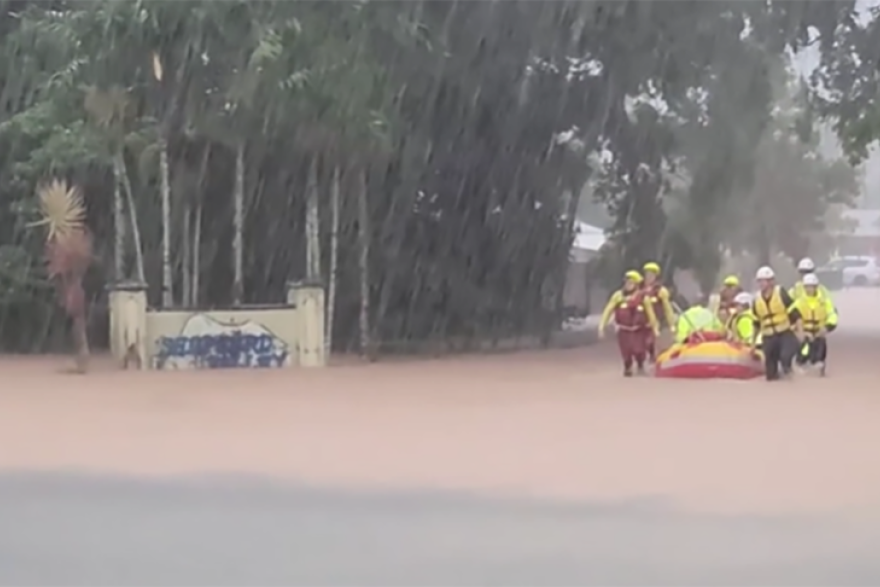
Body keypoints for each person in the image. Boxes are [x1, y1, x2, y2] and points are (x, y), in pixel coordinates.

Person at [598, 270, 660, 376]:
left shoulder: (643, 297)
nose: (628, 285)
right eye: (627, 282)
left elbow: (651, 314)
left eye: (631, 283)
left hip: (639, 330)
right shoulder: (618, 296)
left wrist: (655, 329)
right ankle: (628, 366)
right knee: (626, 351)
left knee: (639, 350)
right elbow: (607, 311)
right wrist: (601, 327)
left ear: (636, 285)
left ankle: (640, 364)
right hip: (624, 331)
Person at [751, 265, 802, 381]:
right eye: (760, 281)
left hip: (785, 333)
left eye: (764, 281)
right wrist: (753, 343)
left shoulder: (781, 293)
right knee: (770, 376)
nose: (762, 284)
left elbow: (796, 315)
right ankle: (777, 373)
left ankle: (791, 371)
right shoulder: (756, 300)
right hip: (768, 337)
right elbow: (756, 324)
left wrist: (800, 334)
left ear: (771, 282)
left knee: (785, 357)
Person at [789, 272, 838, 376]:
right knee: (804, 350)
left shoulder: (824, 301)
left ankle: (819, 365)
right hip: (805, 333)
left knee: (820, 349)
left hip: (819, 332)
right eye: (807, 287)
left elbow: (832, 315)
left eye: (811, 287)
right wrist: (800, 332)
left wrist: (826, 327)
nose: (809, 289)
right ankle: (800, 363)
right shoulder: (799, 302)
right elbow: (790, 316)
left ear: (816, 287)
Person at [641, 261, 677, 361]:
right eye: (647, 274)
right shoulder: (640, 290)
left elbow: (667, 308)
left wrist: (672, 324)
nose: (648, 277)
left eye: (651, 275)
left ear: (656, 276)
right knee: (642, 345)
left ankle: (659, 359)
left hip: (660, 322)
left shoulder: (661, 291)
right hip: (644, 322)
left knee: (658, 343)